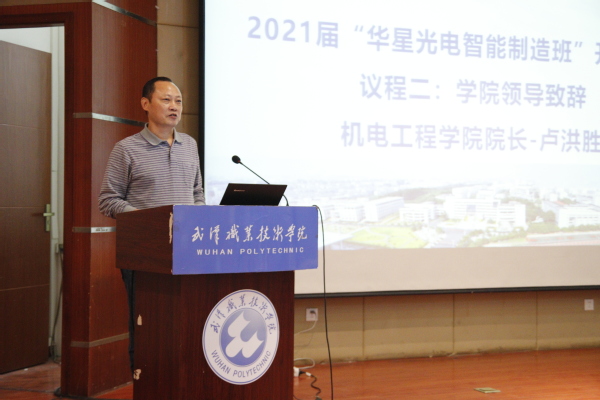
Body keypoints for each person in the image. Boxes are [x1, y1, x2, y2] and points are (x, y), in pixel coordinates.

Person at [98, 77, 205, 373]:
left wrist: (199, 218)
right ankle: (146, 385)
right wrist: (149, 222)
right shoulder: (126, 149)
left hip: (186, 252)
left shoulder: (190, 145)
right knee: (149, 328)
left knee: (187, 324)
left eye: (178, 101)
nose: (174, 106)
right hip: (144, 255)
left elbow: (197, 192)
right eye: (166, 99)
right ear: (145, 104)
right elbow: (108, 200)